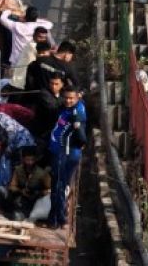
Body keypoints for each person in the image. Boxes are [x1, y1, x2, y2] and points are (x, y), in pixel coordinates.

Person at [47, 87, 87, 229]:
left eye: (71, 98)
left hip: (65, 153)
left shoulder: (75, 113)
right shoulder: (70, 108)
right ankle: (58, 216)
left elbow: (81, 135)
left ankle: (57, 219)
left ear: (77, 98)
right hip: (63, 152)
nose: (68, 101)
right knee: (62, 185)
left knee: (58, 186)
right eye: (66, 98)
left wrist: (80, 142)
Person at [6, 148, 52, 221]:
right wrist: (20, 191)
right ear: (23, 159)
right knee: (2, 192)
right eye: (27, 160)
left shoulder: (42, 173)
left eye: (32, 160)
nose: (30, 163)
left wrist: (39, 193)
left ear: (35, 160)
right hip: (21, 197)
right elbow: (12, 186)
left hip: (36, 200)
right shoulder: (18, 170)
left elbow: (50, 189)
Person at [10, 27, 53, 94]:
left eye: (44, 37)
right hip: (20, 82)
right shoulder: (32, 46)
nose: (42, 39)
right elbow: (36, 63)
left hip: (24, 82)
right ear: (34, 36)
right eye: (40, 37)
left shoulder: (39, 46)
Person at [32, 72, 66, 141]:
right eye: (52, 83)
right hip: (43, 131)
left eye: (56, 84)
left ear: (62, 84)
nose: (53, 86)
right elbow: (53, 108)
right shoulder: (44, 93)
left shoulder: (64, 94)